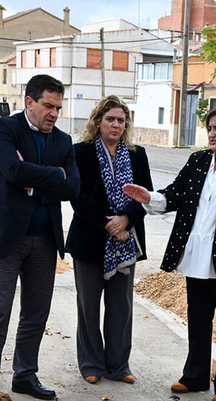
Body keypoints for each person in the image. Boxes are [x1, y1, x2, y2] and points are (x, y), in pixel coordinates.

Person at [123, 102, 216, 401]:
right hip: (197, 258)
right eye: (209, 128)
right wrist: (149, 197)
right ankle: (195, 377)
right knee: (198, 320)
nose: (211, 134)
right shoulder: (199, 160)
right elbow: (176, 194)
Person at [0, 74, 80, 400]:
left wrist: (34, 179)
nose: (54, 114)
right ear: (29, 102)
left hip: (45, 241)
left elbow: (73, 186)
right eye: (48, 105)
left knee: (35, 315)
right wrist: (53, 175)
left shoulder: (63, 141)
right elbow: (12, 171)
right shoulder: (6, 128)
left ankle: (25, 376)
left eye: (59, 107)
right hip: (6, 238)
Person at [66, 96, 154, 385]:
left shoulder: (137, 154)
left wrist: (126, 219)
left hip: (126, 241)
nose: (116, 124)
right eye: (110, 119)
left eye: (121, 120)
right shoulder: (80, 152)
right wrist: (111, 224)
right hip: (90, 240)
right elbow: (78, 197)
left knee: (121, 307)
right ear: (98, 121)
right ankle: (91, 363)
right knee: (88, 305)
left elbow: (146, 195)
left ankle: (118, 365)